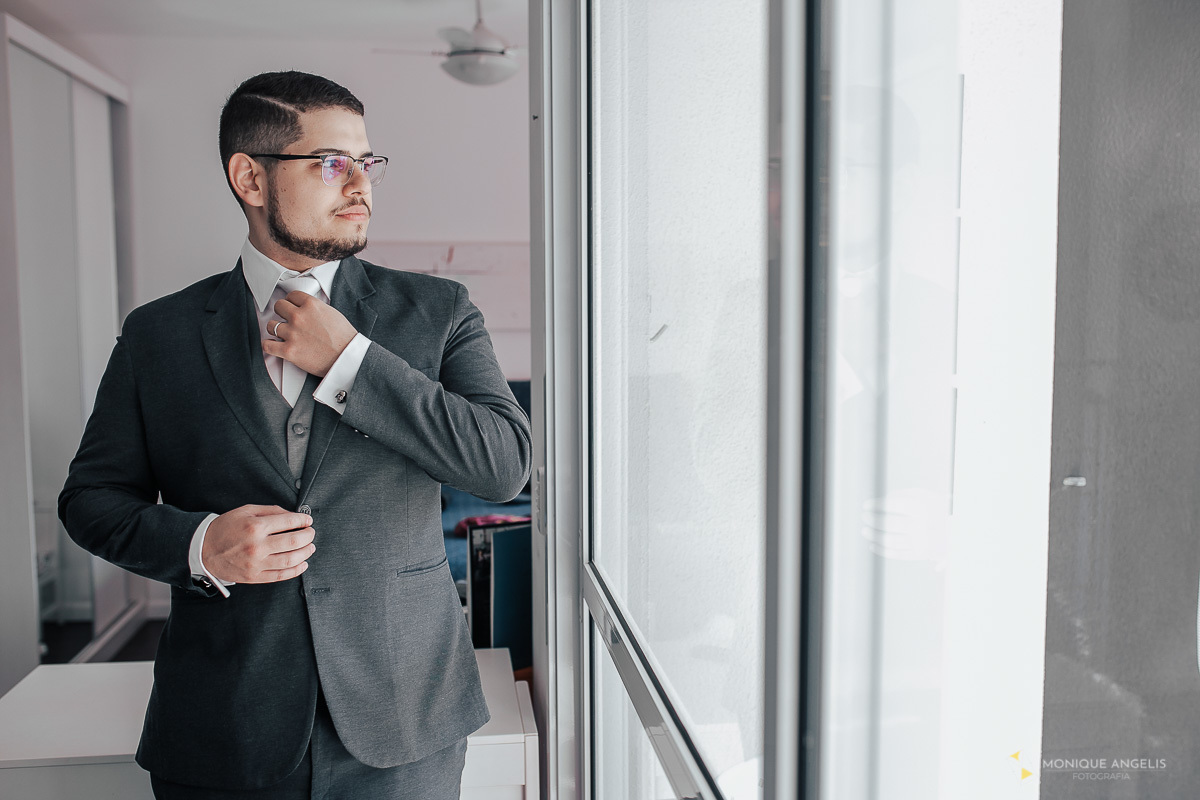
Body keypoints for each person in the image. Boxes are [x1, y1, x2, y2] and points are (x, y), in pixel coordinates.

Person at [57, 70, 531, 799]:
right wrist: (199, 544)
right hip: (224, 725)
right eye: (332, 163)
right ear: (250, 177)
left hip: (405, 727)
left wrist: (350, 360)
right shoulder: (158, 335)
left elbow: (503, 466)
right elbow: (90, 500)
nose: (361, 185)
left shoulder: (439, 311)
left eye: (366, 162)